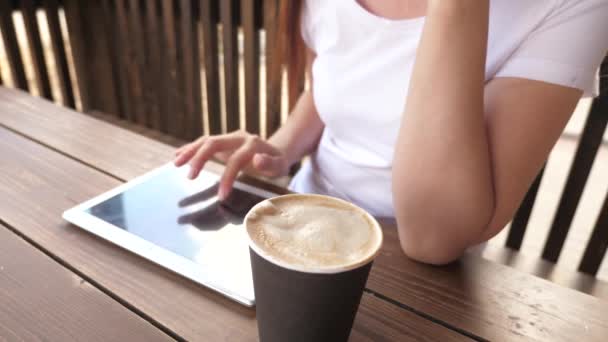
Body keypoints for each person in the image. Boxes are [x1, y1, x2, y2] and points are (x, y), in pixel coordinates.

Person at [174, 0, 608, 265]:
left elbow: (434, 239)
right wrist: (282, 148)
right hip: (298, 221)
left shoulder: (572, 6)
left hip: (414, 270)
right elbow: (332, 77)